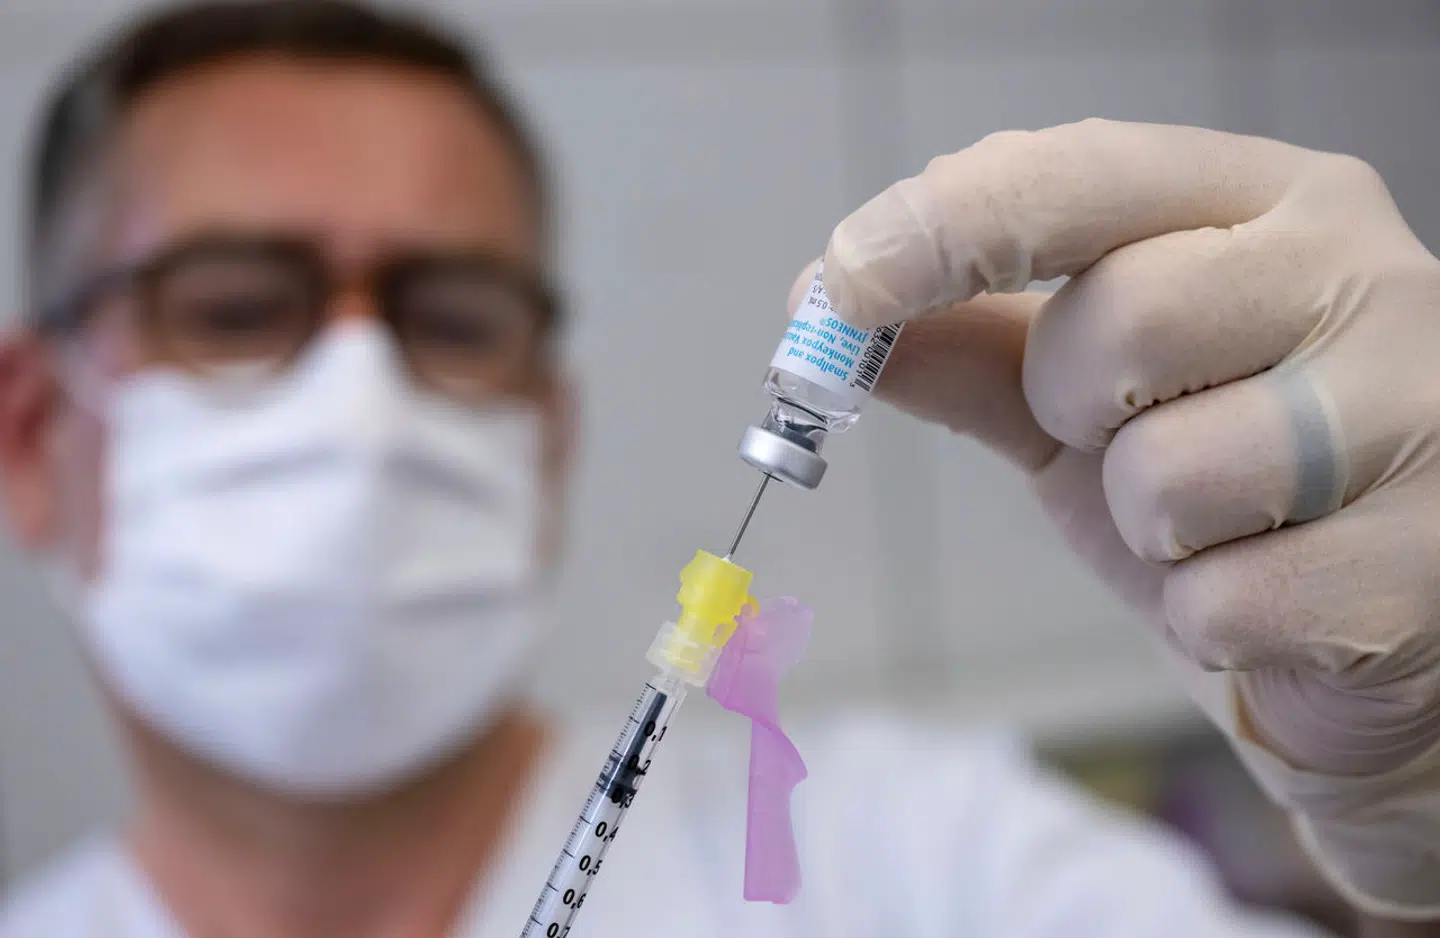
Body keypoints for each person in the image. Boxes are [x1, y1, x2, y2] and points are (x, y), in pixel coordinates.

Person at [0, 3, 1426, 938]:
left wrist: (1420, 820)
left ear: (549, 431)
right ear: (31, 438)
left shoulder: (909, 863)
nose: (362, 402)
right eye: (237, 308)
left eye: (451, 316)